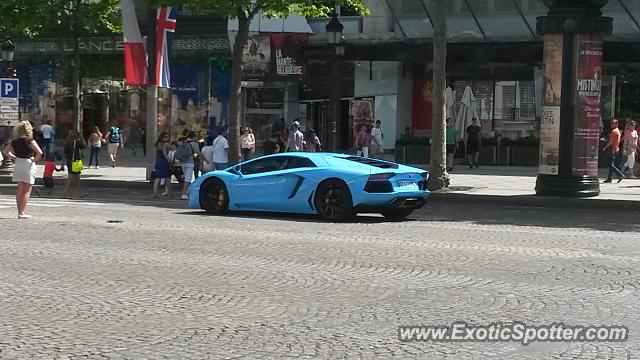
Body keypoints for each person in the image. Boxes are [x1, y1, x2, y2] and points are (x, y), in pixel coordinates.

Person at [3, 121, 43, 219]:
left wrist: (13, 157)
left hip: (18, 163)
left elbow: (5, 151)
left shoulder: (14, 141)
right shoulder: (29, 140)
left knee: (20, 188)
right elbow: (40, 152)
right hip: (27, 163)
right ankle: (22, 212)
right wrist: (34, 160)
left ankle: (19, 211)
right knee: (27, 190)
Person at [177, 131, 206, 200]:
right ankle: (184, 193)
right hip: (190, 162)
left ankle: (187, 191)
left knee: (186, 177)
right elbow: (198, 153)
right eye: (196, 136)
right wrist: (206, 160)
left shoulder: (183, 142)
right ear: (193, 137)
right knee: (188, 178)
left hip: (183, 162)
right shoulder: (194, 144)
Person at [63, 130, 88, 199]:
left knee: (74, 178)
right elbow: (84, 146)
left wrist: (62, 164)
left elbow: (64, 154)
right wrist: (81, 137)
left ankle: (80, 193)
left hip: (69, 161)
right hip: (76, 161)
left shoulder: (67, 143)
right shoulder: (76, 142)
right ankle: (65, 194)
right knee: (74, 178)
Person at [603, 118, 624, 183]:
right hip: (616, 149)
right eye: (611, 123)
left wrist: (605, 147)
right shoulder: (618, 130)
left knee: (609, 164)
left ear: (616, 124)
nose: (611, 125)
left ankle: (620, 174)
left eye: (613, 123)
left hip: (612, 149)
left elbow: (610, 142)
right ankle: (609, 178)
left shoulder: (614, 131)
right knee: (611, 164)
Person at [153, 132, 172, 198]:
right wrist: (169, 159)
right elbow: (165, 153)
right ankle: (169, 192)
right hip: (164, 162)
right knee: (167, 177)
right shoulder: (165, 144)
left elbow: (156, 154)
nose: (167, 138)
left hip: (158, 161)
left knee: (158, 178)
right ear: (162, 137)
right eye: (165, 137)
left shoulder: (157, 144)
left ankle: (155, 193)